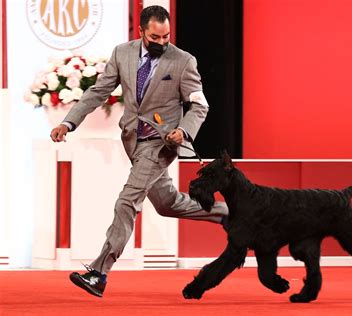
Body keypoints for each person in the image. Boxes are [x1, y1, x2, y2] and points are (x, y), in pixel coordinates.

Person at [50, 5, 228, 298]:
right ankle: (228, 213)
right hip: (133, 141)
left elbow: (199, 105)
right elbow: (98, 92)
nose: (162, 42)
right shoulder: (122, 53)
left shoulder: (184, 61)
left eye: (166, 36)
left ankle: (98, 274)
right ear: (141, 32)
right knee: (168, 204)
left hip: (161, 145)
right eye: (155, 37)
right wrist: (69, 123)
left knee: (126, 202)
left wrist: (183, 131)